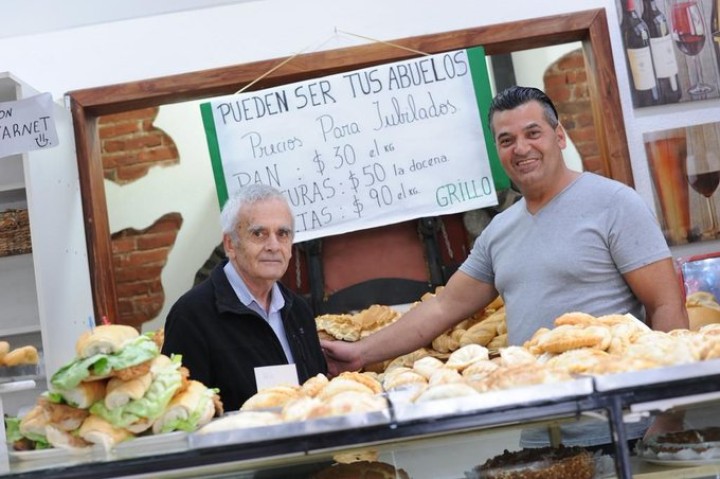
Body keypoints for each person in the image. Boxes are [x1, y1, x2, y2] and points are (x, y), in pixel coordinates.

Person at [321, 86, 689, 448]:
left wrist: (669, 412)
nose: (521, 148)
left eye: (533, 133)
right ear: (497, 150)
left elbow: (665, 305)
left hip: (624, 428)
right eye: (506, 140)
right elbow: (444, 306)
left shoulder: (614, 203)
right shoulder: (500, 231)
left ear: (559, 136)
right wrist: (361, 352)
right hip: (540, 435)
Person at [162, 184, 327, 412]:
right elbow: (184, 414)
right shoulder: (191, 316)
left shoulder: (298, 311)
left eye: (283, 234)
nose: (273, 246)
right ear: (230, 244)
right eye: (258, 233)